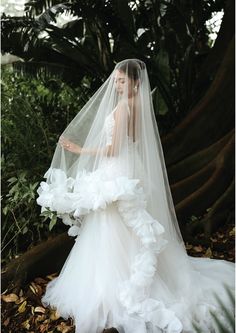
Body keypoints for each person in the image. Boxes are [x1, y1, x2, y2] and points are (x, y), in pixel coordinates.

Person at [37, 59, 234, 333]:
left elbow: (112, 150)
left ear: (135, 83)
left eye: (122, 81)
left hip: (116, 171)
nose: (116, 85)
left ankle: (113, 283)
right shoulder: (139, 106)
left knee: (112, 226)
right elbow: (131, 143)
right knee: (125, 227)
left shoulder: (121, 110)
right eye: (115, 80)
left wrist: (79, 150)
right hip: (130, 168)